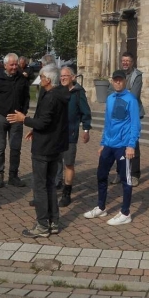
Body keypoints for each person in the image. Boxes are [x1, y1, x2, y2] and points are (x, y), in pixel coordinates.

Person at [9, 65, 70, 238]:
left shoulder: (51, 96)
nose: (40, 79)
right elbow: (49, 121)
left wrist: (24, 119)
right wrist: (34, 128)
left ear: (48, 80)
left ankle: (43, 225)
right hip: (55, 145)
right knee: (50, 184)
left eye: (42, 77)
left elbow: (43, 122)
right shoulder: (61, 94)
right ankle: (53, 222)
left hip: (45, 148)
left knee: (41, 187)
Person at [84, 70, 141, 226]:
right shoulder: (109, 99)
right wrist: (103, 142)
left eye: (120, 80)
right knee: (101, 175)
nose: (117, 82)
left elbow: (135, 124)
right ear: (112, 81)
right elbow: (108, 123)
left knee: (125, 179)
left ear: (125, 81)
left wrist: (131, 145)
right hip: (109, 144)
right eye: (115, 80)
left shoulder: (131, 100)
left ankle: (125, 212)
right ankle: (101, 207)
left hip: (123, 146)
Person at [0, 53, 30, 188]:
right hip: (1, 118)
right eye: (12, 65)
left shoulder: (22, 79)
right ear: (5, 65)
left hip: (16, 119)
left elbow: (27, 98)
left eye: (16, 64)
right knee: (0, 148)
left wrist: (23, 112)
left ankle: (13, 176)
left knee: (15, 149)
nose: (14, 67)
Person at [54, 66, 92, 207]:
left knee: (68, 163)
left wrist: (86, 130)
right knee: (54, 161)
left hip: (70, 134)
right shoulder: (57, 91)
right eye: (61, 76)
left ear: (72, 77)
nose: (63, 78)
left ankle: (66, 193)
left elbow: (85, 112)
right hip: (55, 134)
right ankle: (53, 187)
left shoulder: (78, 93)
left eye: (65, 76)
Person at [111, 52, 144, 186]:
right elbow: (109, 91)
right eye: (123, 60)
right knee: (119, 143)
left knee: (133, 143)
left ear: (132, 63)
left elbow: (134, 95)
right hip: (119, 114)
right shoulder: (117, 74)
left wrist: (118, 94)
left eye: (127, 61)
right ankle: (120, 172)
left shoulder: (137, 75)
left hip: (132, 113)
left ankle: (135, 174)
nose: (125, 63)